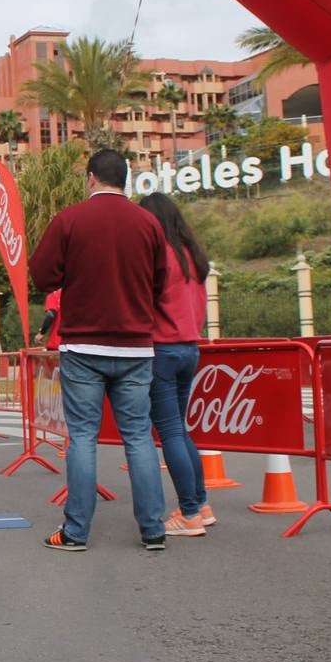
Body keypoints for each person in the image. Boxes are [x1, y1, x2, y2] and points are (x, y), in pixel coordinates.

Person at [31, 148, 169, 552]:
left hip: (84, 344)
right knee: (139, 437)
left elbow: (41, 273)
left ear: (91, 178)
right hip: (136, 347)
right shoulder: (148, 223)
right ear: (125, 179)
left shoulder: (70, 220)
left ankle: (75, 532)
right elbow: (160, 283)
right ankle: (153, 529)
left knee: (84, 437)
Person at [141, 193, 214, 535]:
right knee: (180, 428)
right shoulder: (192, 256)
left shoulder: (158, 257)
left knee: (169, 430)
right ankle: (200, 503)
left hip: (162, 350)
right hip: (190, 348)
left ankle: (189, 513)